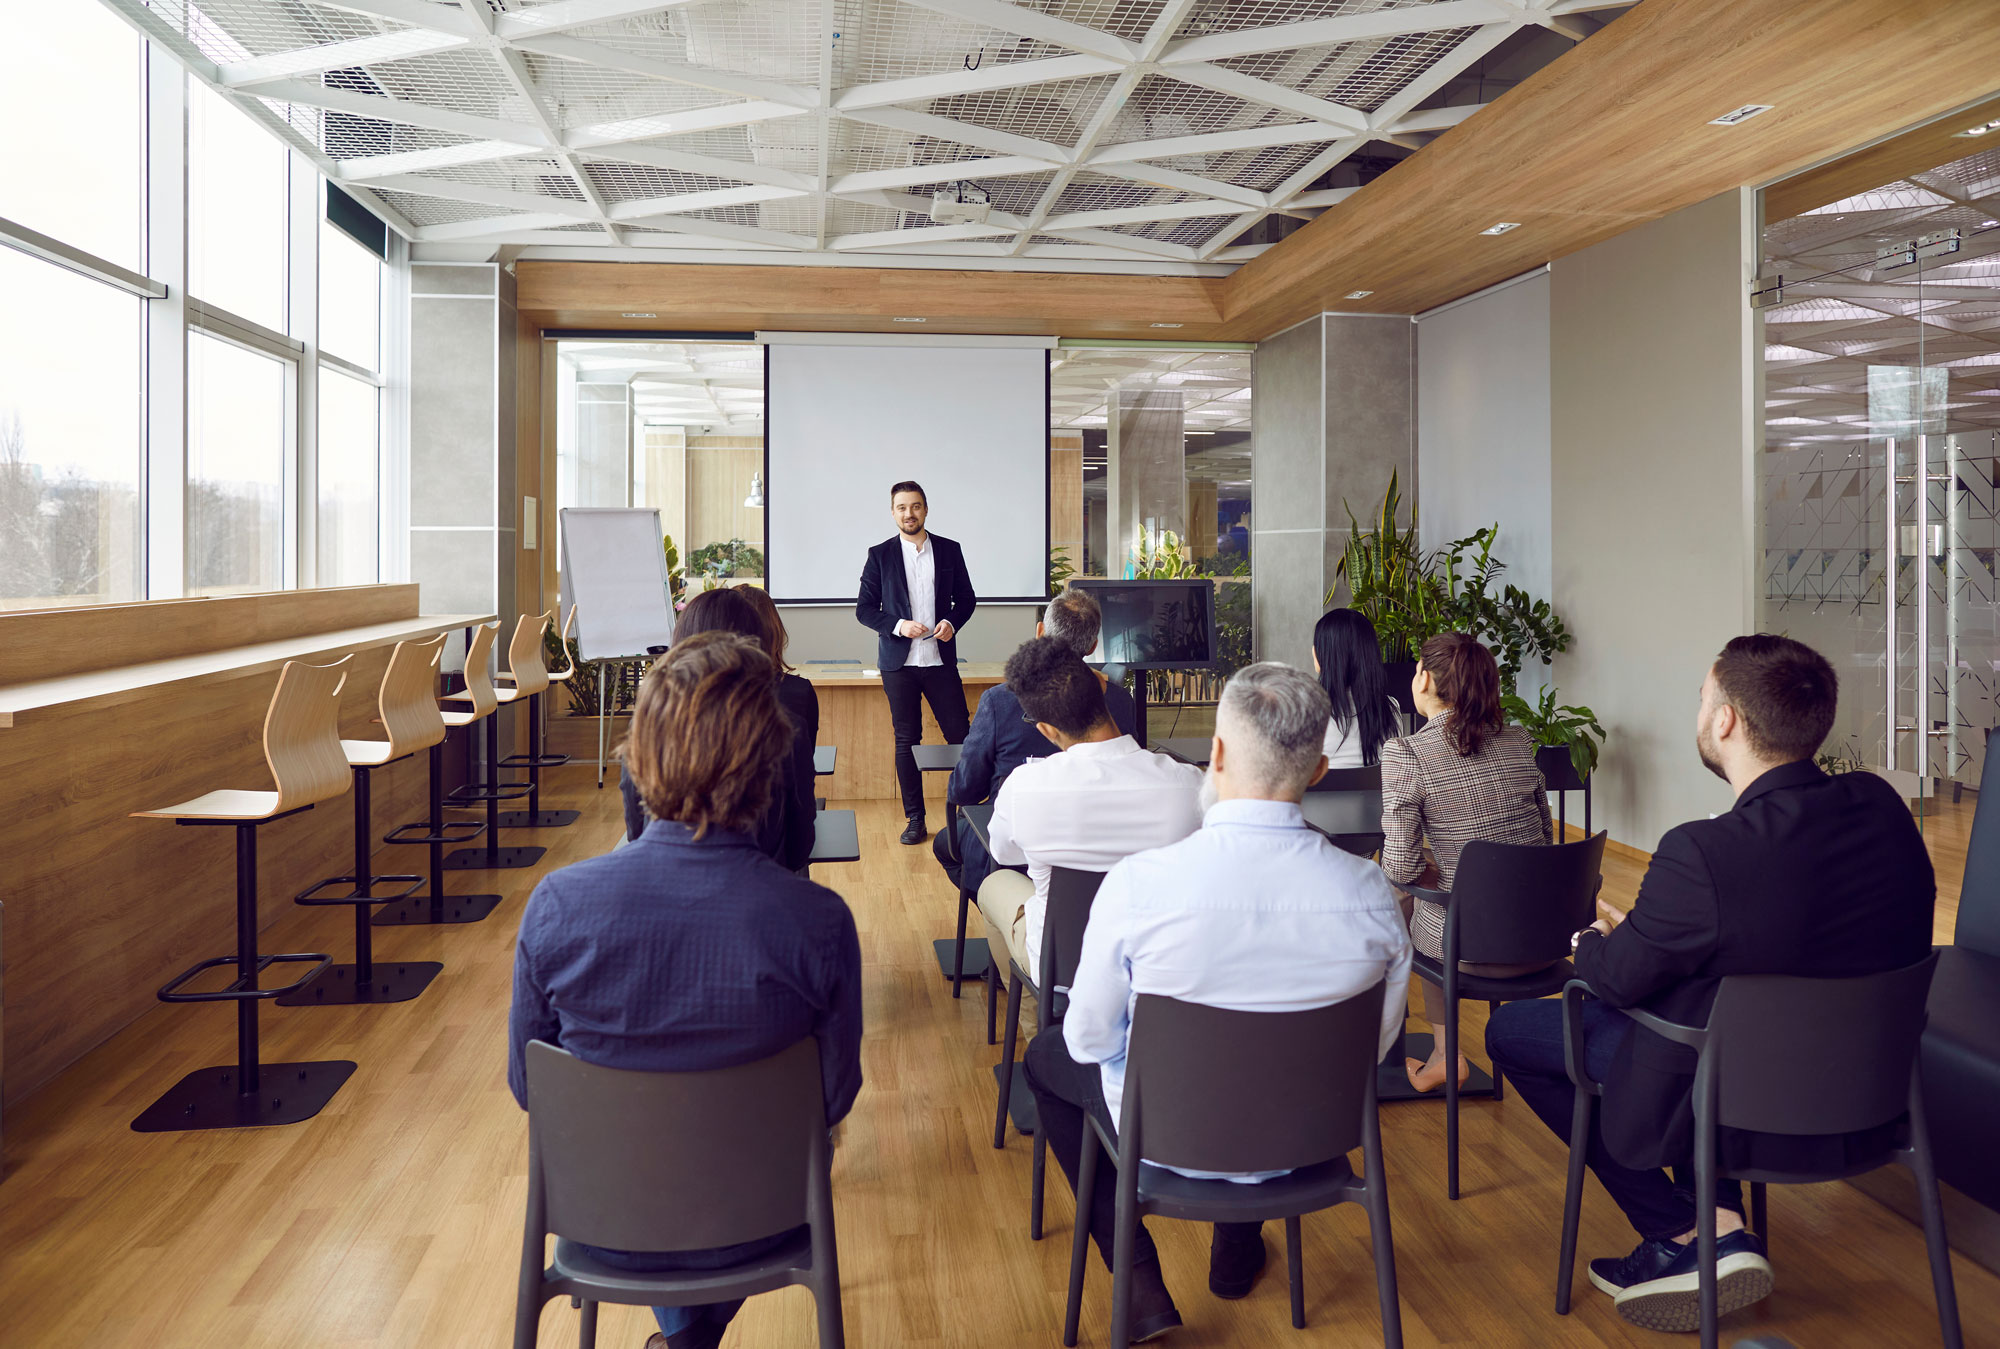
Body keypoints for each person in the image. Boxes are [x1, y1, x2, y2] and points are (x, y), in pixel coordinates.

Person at [1487, 635, 1935, 1333]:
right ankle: (1713, 1218)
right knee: (1709, 1001)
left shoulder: (1704, 852)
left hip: (1737, 1103)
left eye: (1703, 696)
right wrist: (1663, 929)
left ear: (1725, 719)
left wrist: (1591, 943)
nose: (1698, 708)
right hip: (1870, 1104)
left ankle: (1688, 1230)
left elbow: (1616, 982)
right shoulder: (1884, 809)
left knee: (1511, 1029)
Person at [1024, 663, 1412, 1340]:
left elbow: (1088, 1039)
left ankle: (1138, 1279)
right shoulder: (1371, 893)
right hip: (1307, 1141)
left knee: (1048, 1057)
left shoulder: (1141, 883)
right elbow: (1374, 1047)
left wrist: (1149, 1054)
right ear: (1318, 770)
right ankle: (1238, 1243)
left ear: (1218, 754)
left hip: (1166, 1133)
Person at [509, 632, 864, 1349]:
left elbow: (529, 1086)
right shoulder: (818, 921)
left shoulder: (557, 906)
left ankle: (683, 1337)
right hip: (760, 1218)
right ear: (773, 765)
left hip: (601, 1219)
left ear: (638, 757)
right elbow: (832, 1097)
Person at [1379, 631, 1550, 1093]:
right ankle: (1440, 1054)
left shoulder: (1409, 752)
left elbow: (1398, 865)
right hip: (1545, 941)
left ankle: (1431, 1052)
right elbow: (1544, 839)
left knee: (1401, 898)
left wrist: (1436, 870)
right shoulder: (1519, 742)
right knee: (1438, 893)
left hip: (1472, 949)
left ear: (1426, 680)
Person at [977, 636, 1201, 988]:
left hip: (1064, 967)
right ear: (1101, 686)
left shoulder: (1025, 787)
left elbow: (1004, 853)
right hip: (1161, 964)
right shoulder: (1191, 784)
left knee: (994, 883)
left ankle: (1040, 1024)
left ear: (1047, 730)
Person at [934, 586, 1139, 889]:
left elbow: (964, 790)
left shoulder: (999, 701)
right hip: (1099, 858)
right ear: (1093, 645)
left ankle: (1005, 917)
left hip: (1009, 858)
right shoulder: (1121, 702)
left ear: (1040, 631)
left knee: (945, 844)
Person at [619, 587, 816, 872]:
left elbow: (635, 828)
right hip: (762, 887)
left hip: (662, 878)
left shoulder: (645, 724)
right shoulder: (786, 728)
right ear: (755, 644)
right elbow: (799, 846)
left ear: (682, 641)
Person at [854, 480, 977, 846]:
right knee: (907, 740)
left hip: (940, 662)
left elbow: (967, 600)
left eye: (916, 506)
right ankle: (915, 818)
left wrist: (951, 623)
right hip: (899, 665)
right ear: (893, 513)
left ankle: (967, 811)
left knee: (961, 735)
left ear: (926, 509)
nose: (909, 513)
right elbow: (864, 610)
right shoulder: (880, 555)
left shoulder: (950, 550)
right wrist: (898, 625)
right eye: (902, 507)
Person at [738, 583, 821, 804]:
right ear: (773, 629)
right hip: (783, 822)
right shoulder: (800, 692)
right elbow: (804, 765)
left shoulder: (695, 699)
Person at [1311, 607, 1400, 767]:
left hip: (1318, 792)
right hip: (1376, 793)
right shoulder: (1390, 707)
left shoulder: (1303, 712)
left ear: (1320, 655)